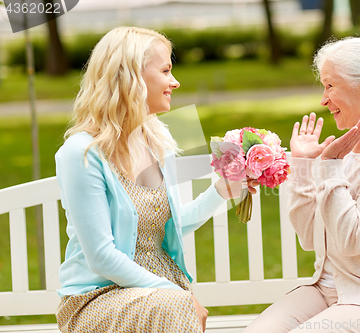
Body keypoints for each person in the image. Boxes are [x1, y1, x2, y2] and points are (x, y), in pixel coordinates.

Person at [54, 26, 256, 333]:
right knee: (177, 308)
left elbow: (169, 226)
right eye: (165, 70)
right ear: (132, 76)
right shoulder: (80, 153)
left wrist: (221, 191)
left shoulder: (158, 137)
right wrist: (176, 295)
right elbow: (101, 257)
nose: (174, 82)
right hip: (99, 298)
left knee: (176, 308)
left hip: (162, 294)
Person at [243, 37, 360, 333]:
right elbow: (310, 238)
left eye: (330, 85)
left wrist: (331, 168)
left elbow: (351, 240)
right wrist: (305, 166)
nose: (323, 99)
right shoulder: (346, 150)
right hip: (326, 291)